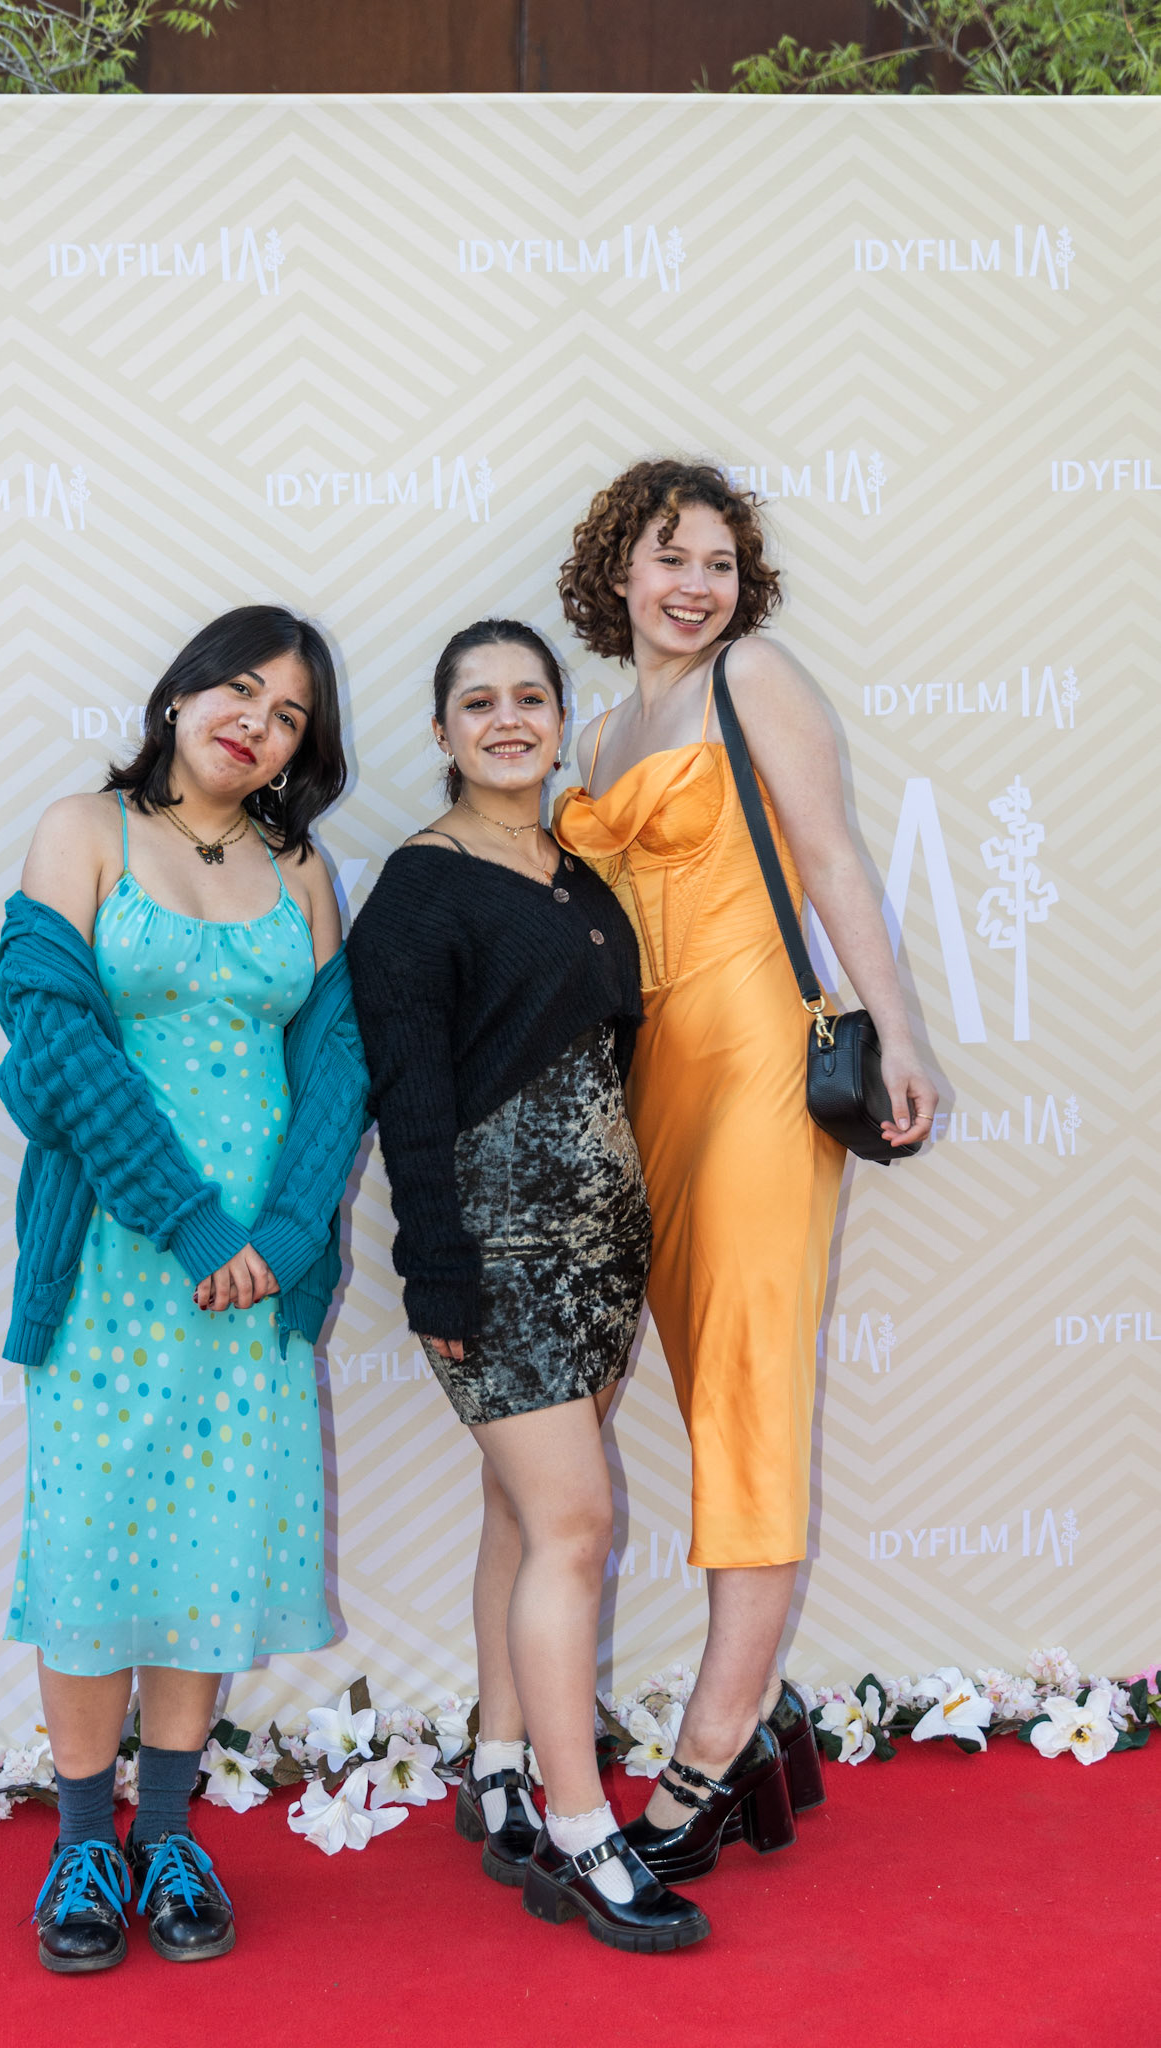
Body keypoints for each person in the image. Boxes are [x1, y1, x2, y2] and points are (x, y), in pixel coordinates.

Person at [555, 460, 938, 1883]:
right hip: (640, 1092)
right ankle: (762, 1717)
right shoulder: (596, 732)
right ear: (618, 572)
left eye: (718, 562)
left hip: (760, 1076)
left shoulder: (754, 679)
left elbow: (830, 859)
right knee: (659, 1386)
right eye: (670, 558)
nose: (695, 586)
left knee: (746, 1406)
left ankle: (707, 1762)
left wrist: (900, 1032)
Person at [0, 605, 370, 1972]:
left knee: (211, 1542)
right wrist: (194, 1224)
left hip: (254, 1279)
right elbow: (50, 1037)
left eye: (289, 715)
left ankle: (164, 1833)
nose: (255, 722)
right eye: (239, 689)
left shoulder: (302, 870)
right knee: (92, 1542)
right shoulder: (82, 831)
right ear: (179, 694)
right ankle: (81, 1843)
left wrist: (282, 1231)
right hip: (115, 1260)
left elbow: (336, 1068)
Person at [347, 618, 707, 1954]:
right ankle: (579, 1830)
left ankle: (498, 1761)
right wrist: (434, 1269)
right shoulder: (417, 889)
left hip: (601, 1252)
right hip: (496, 1262)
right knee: (576, 1527)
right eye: (477, 702)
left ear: (560, 719)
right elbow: (409, 1099)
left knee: (521, 1509)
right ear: (442, 732)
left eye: (530, 698)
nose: (507, 719)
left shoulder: (579, 874)